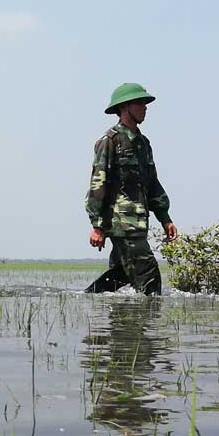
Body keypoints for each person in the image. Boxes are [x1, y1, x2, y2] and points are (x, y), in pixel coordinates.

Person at [86, 83, 178, 295]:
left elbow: (152, 183)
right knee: (150, 278)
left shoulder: (143, 143)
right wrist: (97, 225)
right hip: (122, 225)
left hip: (138, 223)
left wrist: (165, 218)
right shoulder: (109, 141)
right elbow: (97, 183)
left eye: (146, 103)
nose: (145, 107)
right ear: (125, 107)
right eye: (140, 103)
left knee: (120, 276)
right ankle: (147, 322)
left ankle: (86, 300)